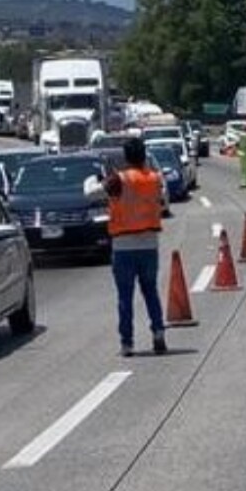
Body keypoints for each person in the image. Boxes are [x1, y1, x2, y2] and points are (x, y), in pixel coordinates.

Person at [86, 137, 167, 357]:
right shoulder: (154, 178)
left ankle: (127, 342)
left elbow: (91, 193)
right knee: (151, 292)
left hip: (123, 246)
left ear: (126, 157)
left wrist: (94, 178)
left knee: (125, 297)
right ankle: (158, 331)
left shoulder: (119, 180)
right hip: (150, 243)